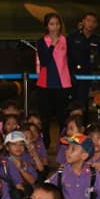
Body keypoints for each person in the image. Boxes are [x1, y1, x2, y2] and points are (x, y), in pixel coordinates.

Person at [34, 12, 73, 142]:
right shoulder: (41, 42)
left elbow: (70, 60)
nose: (55, 27)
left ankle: (63, 145)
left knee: (63, 118)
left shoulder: (66, 40)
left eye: (57, 24)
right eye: (51, 24)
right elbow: (44, 61)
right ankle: (45, 145)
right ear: (47, 26)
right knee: (45, 118)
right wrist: (52, 45)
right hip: (45, 84)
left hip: (63, 84)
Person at [67, 12, 100, 106]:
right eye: (88, 21)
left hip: (87, 75)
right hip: (72, 74)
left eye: (93, 22)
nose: (90, 24)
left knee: (83, 100)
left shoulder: (97, 40)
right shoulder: (73, 37)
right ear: (83, 21)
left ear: (96, 24)